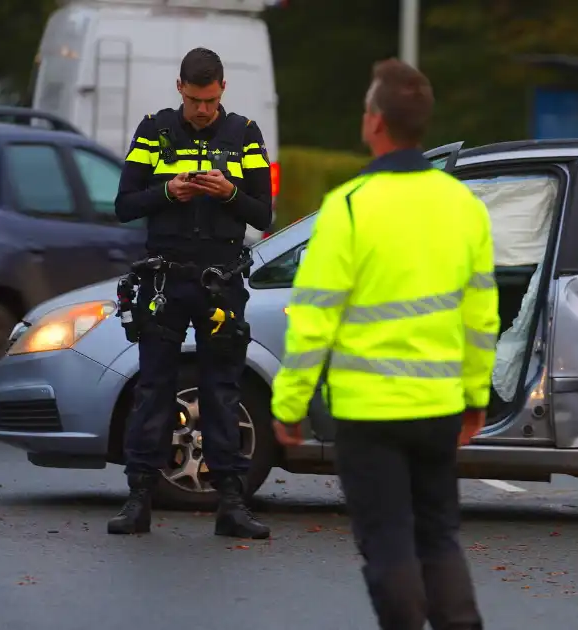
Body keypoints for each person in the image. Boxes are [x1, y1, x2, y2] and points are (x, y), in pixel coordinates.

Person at [270, 58, 498, 630]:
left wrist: (289, 405)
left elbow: (313, 319)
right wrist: (476, 397)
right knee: (438, 536)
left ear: (374, 122)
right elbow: (481, 315)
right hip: (438, 408)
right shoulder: (464, 206)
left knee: (389, 542)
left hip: (368, 412)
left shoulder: (349, 206)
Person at [107, 47, 273, 539]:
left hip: (220, 281)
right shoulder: (154, 131)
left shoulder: (244, 134)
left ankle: (231, 504)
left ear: (223, 88)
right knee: (153, 388)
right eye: (195, 99)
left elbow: (263, 214)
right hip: (164, 279)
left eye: (211, 98)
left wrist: (228, 194)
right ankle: (139, 499)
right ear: (179, 87)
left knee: (222, 390)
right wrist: (166, 192)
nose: (203, 109)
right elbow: (123, 205)